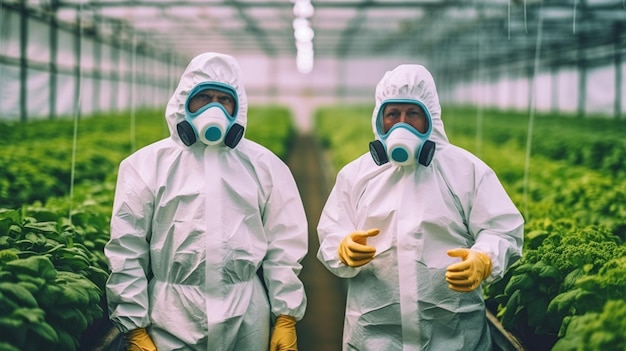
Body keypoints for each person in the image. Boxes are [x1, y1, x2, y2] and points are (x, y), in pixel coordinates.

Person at [105, 52, 308, 351]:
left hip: (246, 316)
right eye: (204, 98)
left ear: (237, 107)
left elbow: (284, 244)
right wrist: (134, 327)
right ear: (184, 102)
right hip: (172, 317)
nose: (214, 108)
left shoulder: (265, 165)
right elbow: (127, 249)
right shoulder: (145, 165)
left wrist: (286, 316)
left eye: (223, 100)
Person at [316, 64, 524, 350]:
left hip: (454, 337)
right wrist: (342, 246)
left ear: (431, 118)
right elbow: (331, 229)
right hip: (375, 337)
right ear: (379, 119)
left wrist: (484, 259)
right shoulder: (356, 175)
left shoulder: (466, 171)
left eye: (412, 113)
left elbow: (502, 230)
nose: (402, 124)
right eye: (393, 114)